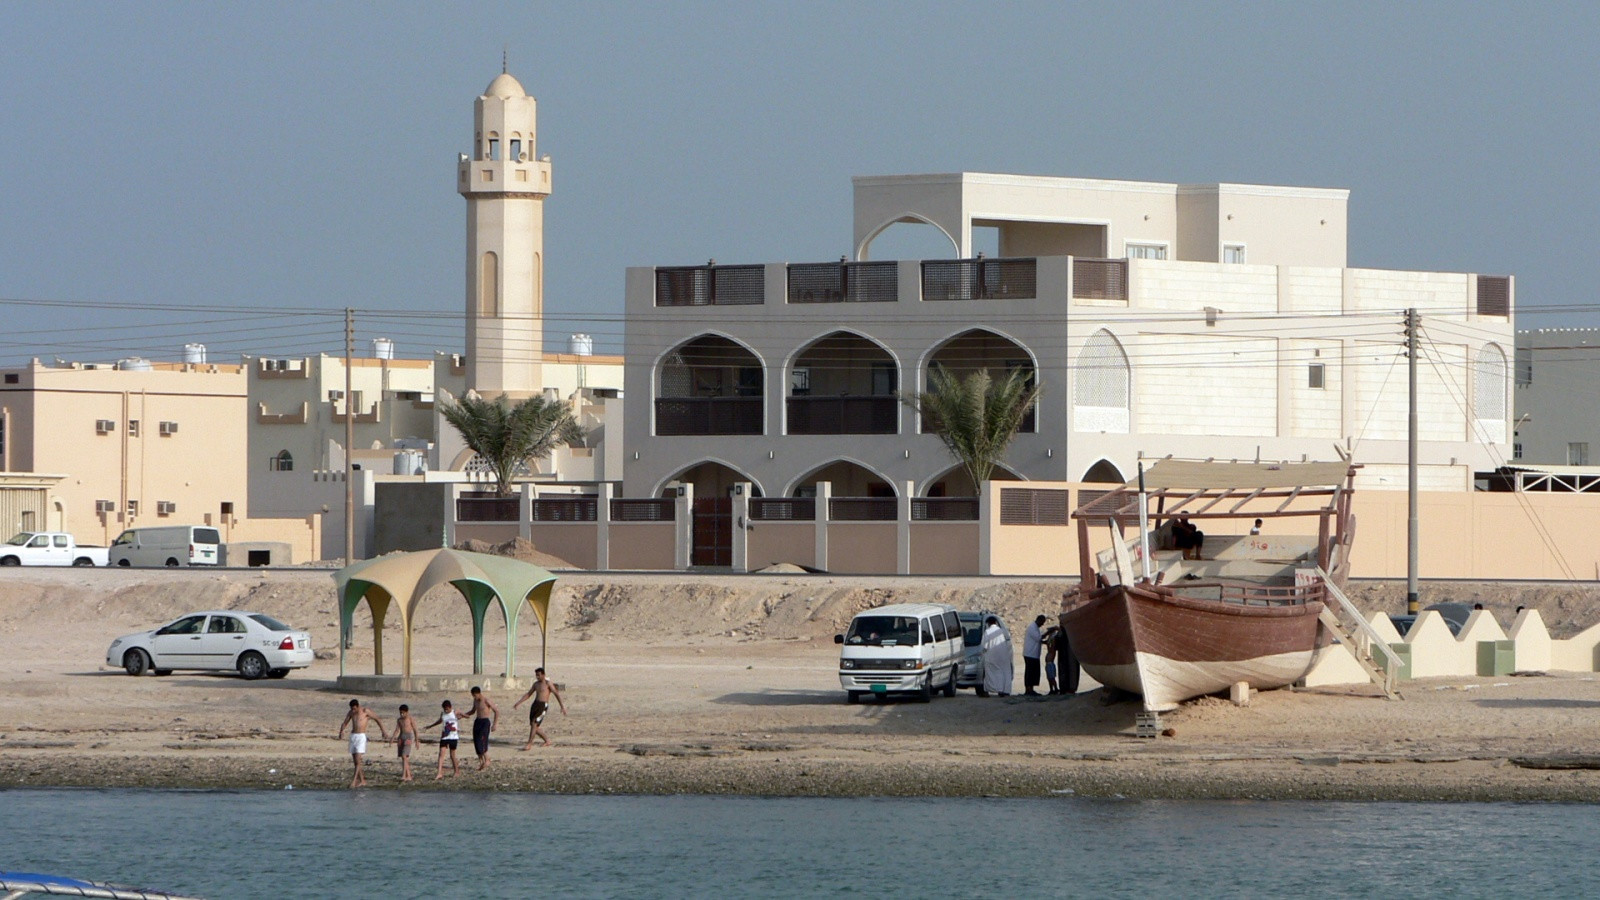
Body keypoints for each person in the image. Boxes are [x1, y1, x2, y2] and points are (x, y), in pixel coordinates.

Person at [337, 698, 389, 789]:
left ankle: (354, 781)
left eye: (354, 709)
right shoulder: (351, 713)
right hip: (353, 736)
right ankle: (362, 781)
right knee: (355, 762)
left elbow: (377, 719)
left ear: (358, 706)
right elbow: (345, 722)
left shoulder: (365, 711)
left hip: (361, 736)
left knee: (358, 760)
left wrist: (383, 731)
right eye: (352, 709)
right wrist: (341, 731)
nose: (353, 710)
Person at [514, 667, 567, 749]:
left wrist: (562, 706)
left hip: (543, 706)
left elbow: (556, 694)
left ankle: (529, 744)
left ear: (543, 675)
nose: (537, 677)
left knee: (534, 724)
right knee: (533, 725)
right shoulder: (536, 684)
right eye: (536, 675)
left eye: (539, 675)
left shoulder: (548, 684)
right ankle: (547, 740)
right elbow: (528, 694)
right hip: (535, 704)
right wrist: (519, 702)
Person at [463, 686, 500, 771]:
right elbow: (473, 711)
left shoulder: (486, 700)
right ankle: (481, 762)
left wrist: (495, 724)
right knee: (476, 741)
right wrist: (463, 715)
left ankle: (487, 759)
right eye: (473, 696)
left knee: (482, 741)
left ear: (478, 693)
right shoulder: (475, 701)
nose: (474, 697)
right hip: (478, 721)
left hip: (485, 721)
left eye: (475, 695)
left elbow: (496, 711)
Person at [424, 699, 463, 779]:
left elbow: (466, 716)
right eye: (444, 709)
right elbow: (439, 721)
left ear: (450, 707)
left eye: (447, 709)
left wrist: (462, 715)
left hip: (453, 737)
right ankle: (439, 773)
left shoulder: (454, 713)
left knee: (452, 755)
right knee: (441, 754)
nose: (446, 710)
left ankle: (456, 771)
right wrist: (430, 726)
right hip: (444, 736)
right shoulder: (443, 714)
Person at [978, 617, 1013, 698]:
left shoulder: (987, 632)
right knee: (1004, 673)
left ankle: (987, 691)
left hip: (992, 657)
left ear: (988, 624)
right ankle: (1004, 691)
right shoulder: (1002, 631)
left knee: (990, 674)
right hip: (1004, 656)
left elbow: (984, 646)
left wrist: (982, 653)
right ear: (996, 623)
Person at [1051, 603, 1080, 695]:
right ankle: (1065, 688)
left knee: (1071, 670)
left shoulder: (1070, 630)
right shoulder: (1063, 631)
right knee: (1066, 670)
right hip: (1064, 655)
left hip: (1070, 654)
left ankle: (1070, 688)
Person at [392, 703, 419, 782]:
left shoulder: (410, 719)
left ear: (407, 712)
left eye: (403, 713)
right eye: (400, 713)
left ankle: (404, 775)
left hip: (408, 737)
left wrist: (417, 741)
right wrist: (393, 739)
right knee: (404, 758)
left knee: (404, 756)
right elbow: (397, 730)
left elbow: (415, 730)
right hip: (401, 737)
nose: (402, 714)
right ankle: (409, 775)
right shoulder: (399, 720)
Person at [1022, 615, 1046, 696]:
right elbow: (1038, 638)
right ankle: (1028, 689)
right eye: (1042, 623)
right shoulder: (1032, 627)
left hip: (1034, 654)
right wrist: (1050, 631)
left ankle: (1031, 689)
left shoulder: (1035, 627)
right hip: (1030, 654)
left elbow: (1038, 640)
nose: (1042, 625)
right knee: (1030, 672)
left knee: (1033, 672)